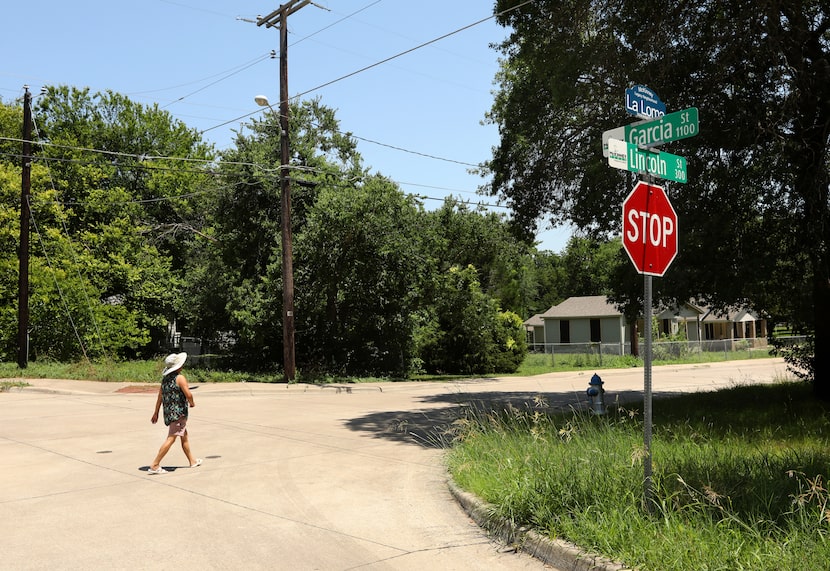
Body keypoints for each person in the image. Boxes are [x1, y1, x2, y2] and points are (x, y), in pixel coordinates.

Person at [148, 352, 202, 474]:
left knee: (184, 436)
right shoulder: (180, 378)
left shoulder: (165, 380)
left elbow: (160, 397)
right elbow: (188, 394)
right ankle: (155, 464)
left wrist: (156, 412)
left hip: (169, 414)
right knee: (171, 438)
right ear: (178, 367)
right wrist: (192, 403)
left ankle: (192, 461)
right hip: (179, 414)